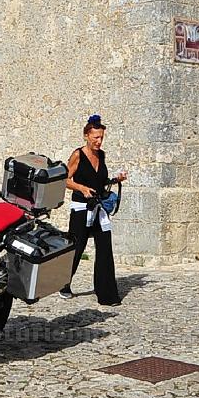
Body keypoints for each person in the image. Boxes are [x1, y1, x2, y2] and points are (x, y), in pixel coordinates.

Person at [60, 114, 128, 305]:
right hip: (81, 208)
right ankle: (64, 284)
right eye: (96, 137)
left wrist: (116, 180)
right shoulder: (78, 155)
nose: (99, 141)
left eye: (101, 137)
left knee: (105, 248)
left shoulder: (101, 155)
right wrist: (81, 188)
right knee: (77, 247)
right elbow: (64, 179)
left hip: (99, 208)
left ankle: (107, 295)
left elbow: (100, 181)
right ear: (86, 136)